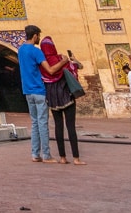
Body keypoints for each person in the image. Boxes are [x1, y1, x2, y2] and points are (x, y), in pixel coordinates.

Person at [38, 36, 84, 165]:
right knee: (70, 127)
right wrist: (71, 60)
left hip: (53, 99)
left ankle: (62, 157)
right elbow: (77, 67)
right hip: (66, 96)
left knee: (58, 127)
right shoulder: (60, 59)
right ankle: (76, 158)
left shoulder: (42, 64)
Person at [17, 24, 53, 163]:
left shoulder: (20, 50)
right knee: (43, 123)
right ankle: (47, 155)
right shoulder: (36, 51)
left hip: (27, 91)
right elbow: (49, 70)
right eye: (38, 35)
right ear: (35, 36)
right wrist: (63, 62)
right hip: (39, 90)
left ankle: (35, 154)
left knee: (35, 123)